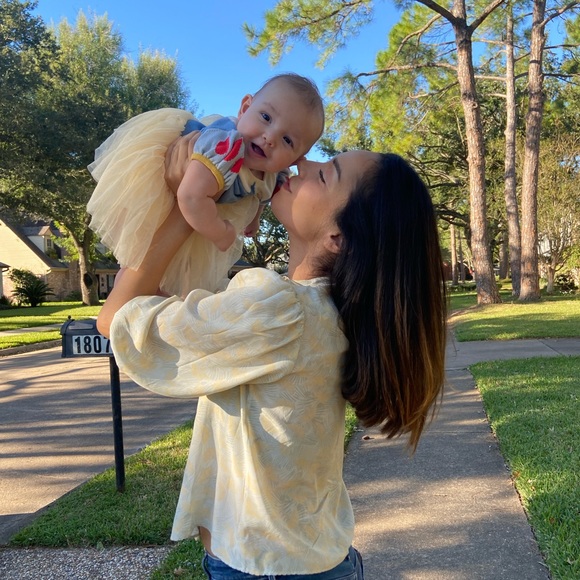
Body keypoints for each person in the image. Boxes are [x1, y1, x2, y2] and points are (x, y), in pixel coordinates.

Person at [97, 134, 448, 578]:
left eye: (325, 174)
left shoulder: (280, 309)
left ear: (339, 237)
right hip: (308, 557)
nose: (301, 163)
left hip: (267, 569)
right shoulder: (322, 311)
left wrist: (184, 205)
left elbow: (118, 321)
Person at [87, 73, 324, 297]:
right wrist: (220, 234)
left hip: (203, 210)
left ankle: (151, 300)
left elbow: (262, 196)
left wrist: (254, 219)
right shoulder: (224, 146)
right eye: (266, 117)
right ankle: (125, 296)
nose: (270, 137)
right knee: (139, 259)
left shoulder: (273, 174)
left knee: (181, 277)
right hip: (170, 192)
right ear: (244, 108)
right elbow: (190, 196)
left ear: (295, 159)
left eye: (287, 140)